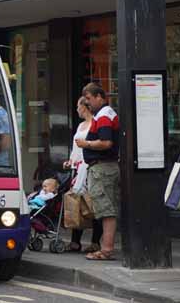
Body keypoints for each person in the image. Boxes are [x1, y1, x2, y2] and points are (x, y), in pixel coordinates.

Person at [77, 83, 120, 261]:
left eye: (89, 99)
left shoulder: (103, 116)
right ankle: (106, 247)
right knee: (105, 209)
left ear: (99, 97)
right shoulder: (105, 114)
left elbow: (106, 142)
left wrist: (85, 144)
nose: (87, 103)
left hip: (102, 168)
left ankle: (106, 249)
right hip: (105, 167)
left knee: (105, 210)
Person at [64, 97, 103, 253]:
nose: (76, 109)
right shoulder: (80, 125)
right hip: (78, 170)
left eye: (78, 106)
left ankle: (95, 242)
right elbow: (76, 149)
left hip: (90, 168)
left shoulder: (96, 124)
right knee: (77, 203)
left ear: (84, 107)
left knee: (92, 205)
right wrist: (71, 161)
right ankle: (75, 241)